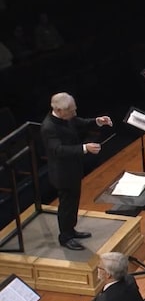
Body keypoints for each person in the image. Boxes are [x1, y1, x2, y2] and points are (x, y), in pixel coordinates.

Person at [41, 92, 113, 250]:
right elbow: (58, 150)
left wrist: (97, 121)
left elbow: (80, 122)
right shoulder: (49, 127)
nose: (75, 113)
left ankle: (71, 230)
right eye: (71, 111)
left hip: (72, 170)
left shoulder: (67, 117)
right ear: (59, 110)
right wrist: (84, 148)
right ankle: (65, 237)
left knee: (73, 202)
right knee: (66, 205)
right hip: (62, 174)